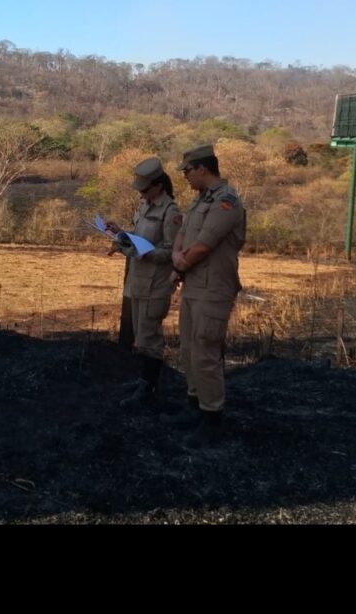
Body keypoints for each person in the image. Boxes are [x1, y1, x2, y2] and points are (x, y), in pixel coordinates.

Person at [162, 144, 247, 447]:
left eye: (187, 170)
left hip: (214, 289)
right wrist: (176, 255)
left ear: (202, 169)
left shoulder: (227, 202)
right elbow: (185, 235)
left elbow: (204, 244)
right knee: (188, 348)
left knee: (205, 350)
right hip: (194, 285)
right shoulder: (200, 201)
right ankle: (194, 404)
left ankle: (212, 416)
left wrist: (182, 261)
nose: (184, 176)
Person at [106, 157, 181, 411]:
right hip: (137, 282)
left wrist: (145, 252)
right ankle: (144, 382)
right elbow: (140, 238)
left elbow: (173, 252)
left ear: (159, 186)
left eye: (145, 189)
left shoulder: (171, 213)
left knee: (150, 340)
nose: (141, 193)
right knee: (141, 338)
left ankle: (148, 388)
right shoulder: (143, 205)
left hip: (155, 286)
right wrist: (121, 234)